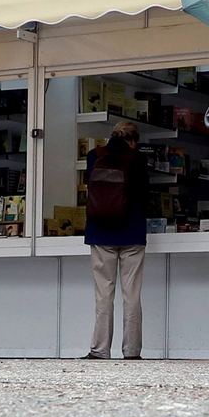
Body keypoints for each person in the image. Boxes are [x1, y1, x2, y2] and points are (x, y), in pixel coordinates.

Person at [83, 120, 148, 360]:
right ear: (133, 141)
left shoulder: (93, 156)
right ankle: (131, 351)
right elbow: (144, 194)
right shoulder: (138, 159)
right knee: (131, 295)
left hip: (101, 232)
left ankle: (99, 349)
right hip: (131, 233)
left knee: (103, 294)